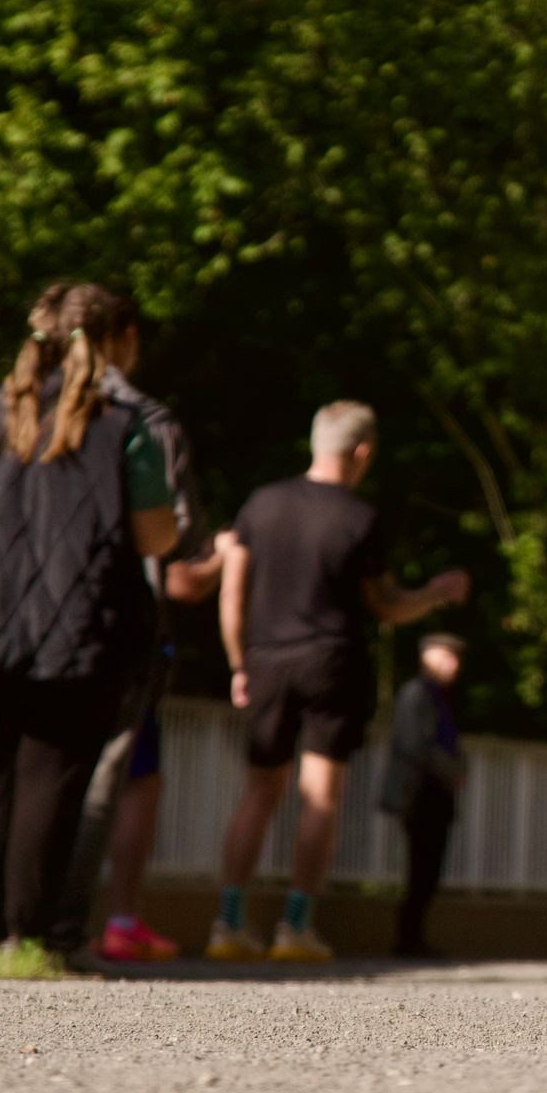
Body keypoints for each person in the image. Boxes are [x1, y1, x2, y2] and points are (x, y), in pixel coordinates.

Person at [0, 283, 179, 947]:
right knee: (51, 781)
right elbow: (156, 538)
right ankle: (27, 936)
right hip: (82, 628)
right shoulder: (124, 428)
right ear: (115, 343)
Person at [207, 401, 468, 964]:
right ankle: (294, 928)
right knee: (320, 797)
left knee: (259, 789)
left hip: (266, 658)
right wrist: (436, 593)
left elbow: (233, 594)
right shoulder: (358, 517)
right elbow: (386, 605)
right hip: (331, 659)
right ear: (363, 452)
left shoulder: (261, 504)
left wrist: (238, 664)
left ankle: (228, 924)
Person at [50, 289, 230, 963]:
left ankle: (0, 919)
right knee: (121, 776)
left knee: (29, 767)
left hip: (15, 617)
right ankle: (101, 920)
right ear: (124, 336)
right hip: (121, 621)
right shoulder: (144, 422)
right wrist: (226, 558)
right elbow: (178, 568)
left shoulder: (9, 408)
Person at [380, 632, 467, 959]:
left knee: (429, 870)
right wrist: (451, 770)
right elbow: (415, 746)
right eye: (447, 656)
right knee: (420, 869)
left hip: (436, 796)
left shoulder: (442, 697)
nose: (454, 665)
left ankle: (414, 938)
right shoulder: (416, 694)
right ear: (426, 656)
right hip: (419, 795)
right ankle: (407, 939)